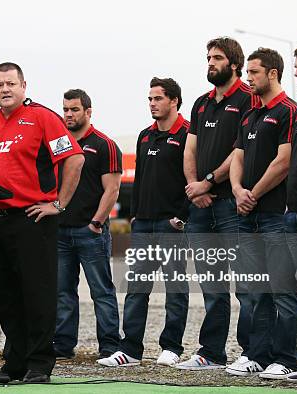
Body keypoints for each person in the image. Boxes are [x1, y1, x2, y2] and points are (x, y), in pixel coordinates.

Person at [0, 62, 84, 383]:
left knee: (36, 295)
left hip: (33, 220)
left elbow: (74, 158)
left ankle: (39, 364)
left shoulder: (43, 118)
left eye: (10, 83)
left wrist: (58, 204)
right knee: (6, 297)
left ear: (24, 85)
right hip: (0, 222)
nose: (4, 90)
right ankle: (15, 363)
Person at [176, 37, 257, 370]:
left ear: (234, 64)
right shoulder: (200, 103)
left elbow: (241, 152)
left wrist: (209, 182)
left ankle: (252, 353)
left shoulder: (250, 100)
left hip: (232, 207)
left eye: (217, 58)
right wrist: (197, 189)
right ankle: (211, 352)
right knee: (212, 286)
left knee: (247, 285)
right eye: (208, 57)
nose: (210, 62)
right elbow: (189, 150)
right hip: (201, 208)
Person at [98, 77, 190, 368]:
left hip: (172, 225)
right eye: (150, 99)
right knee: (137, 289)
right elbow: (139, 181)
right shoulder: (145, 135)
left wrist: (182, 217)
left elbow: (195, 178)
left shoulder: (188, 134)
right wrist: (135, 214)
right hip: (144, 225)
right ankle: (131, 350)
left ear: (174, 100)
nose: (152, 103)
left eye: (158, 98)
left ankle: (172, 347)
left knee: (175, 289)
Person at [228, 47, 297, 379]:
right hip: (247, 214)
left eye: (253, 72)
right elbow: (237, 158)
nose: (247, 78)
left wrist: (252, 194)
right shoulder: (249, 115)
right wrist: (238, 191)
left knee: (282, 289)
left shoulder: (288, 111)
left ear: (272, 73)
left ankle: (285, 357)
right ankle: (257, 354)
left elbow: (283, 162)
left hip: (275, 215)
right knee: (255, 289)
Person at [53, 89, 122, 360]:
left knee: (101, 292)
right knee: (63, 293)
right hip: (60, 232)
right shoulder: (60, 144)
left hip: (90, 232)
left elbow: (112, 189)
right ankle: (62, 346)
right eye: (66, 109)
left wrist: (96, 222)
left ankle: (109, 346)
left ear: (88, 112)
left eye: (74, 110)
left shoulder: (104, 144)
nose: (69, 114)